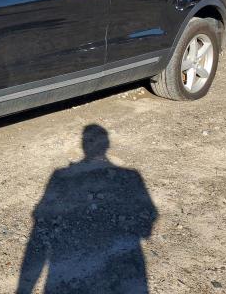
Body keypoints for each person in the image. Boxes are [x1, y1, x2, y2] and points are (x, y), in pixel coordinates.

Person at [17, 124, 158, 293]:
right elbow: (146, 225)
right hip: (117, 273)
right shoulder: (131, 177)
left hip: (69, 273)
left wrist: (23, 289)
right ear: (107, 145)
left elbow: (42, 226)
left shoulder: (61, 177)